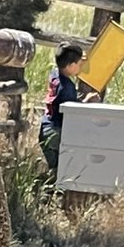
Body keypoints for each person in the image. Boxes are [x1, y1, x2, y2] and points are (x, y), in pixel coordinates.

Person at [39, 44, 98, 173]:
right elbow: (72, 112)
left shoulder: (55, 74)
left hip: (46, 126)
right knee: (60, 169)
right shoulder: (67, 87)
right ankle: (52, 191)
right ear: (71, 66)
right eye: (78, 64)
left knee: (53, 166)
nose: (80, 67)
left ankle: (47, 187)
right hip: (57, 130)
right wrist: (86, 101)